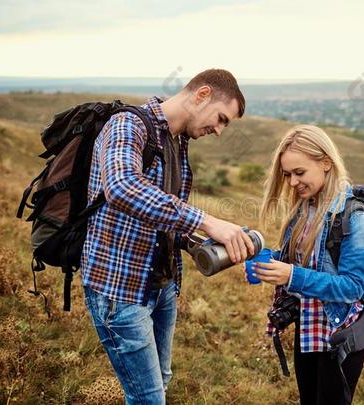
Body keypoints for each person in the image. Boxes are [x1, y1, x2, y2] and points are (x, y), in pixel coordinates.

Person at [81, 68, 255, 404]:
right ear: (202, 94)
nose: (219, 131)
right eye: (221, 118)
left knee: (160, 381)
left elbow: (160, 215)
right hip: (121, 290)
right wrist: (206, 220)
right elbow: (121, 187)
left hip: (162, 286)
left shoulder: (176, 142)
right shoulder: (128, 125)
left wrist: (201, 243)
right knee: (148, 397)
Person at [250, 125, 364, 405]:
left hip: (339, 337)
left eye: (299, 173)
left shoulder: (355, 220)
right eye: (287, 175)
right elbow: (302, 262)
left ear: (326, 163)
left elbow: (352, 287)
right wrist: (269, 262)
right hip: (308, 329)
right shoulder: (304, 210)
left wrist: (291, 276)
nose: (292, 182)